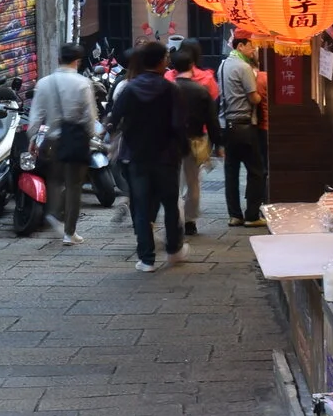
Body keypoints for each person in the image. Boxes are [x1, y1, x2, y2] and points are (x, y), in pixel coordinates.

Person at [108, 42, 186, 271]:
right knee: (170, 205)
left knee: (141, 208)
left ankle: (146, 259)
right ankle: (174, 250)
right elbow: (178, 125)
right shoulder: (171, 89)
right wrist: (184, 148)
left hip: (136, 157)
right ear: (162, 61)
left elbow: (114, 118)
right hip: (166, 156)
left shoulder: (130, 89)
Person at [30, 41, 101, 246]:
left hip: (51, 140)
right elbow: (89, 116)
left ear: (59, 59)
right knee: (74, 186)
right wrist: (89, 137)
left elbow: (36, 115)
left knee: (54, 180)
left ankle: (52, 212)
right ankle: (69, 232)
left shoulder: (44, 83)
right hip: (75, 140)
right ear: (77, 61)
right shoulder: (82, 83)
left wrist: (33, 139)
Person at [168, 44, 220, 236]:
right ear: (192, 64)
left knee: (174, 182)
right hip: (196, 139)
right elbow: (212, 117)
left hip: (170, 141)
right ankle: (190, 220)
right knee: (193, 182)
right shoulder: (203, 86)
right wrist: (218, 143)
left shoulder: (167, 85)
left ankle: (175, 218)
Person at [218, 36, 266, 227]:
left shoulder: (222, 65)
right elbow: (253, 98)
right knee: (256, 171)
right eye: (251, 46)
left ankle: (234, 215)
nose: (253, 50)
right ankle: (252, 215)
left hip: (226, 125)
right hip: (244, 125)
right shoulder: (243, 67)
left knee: (231, 171)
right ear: (241, 46)